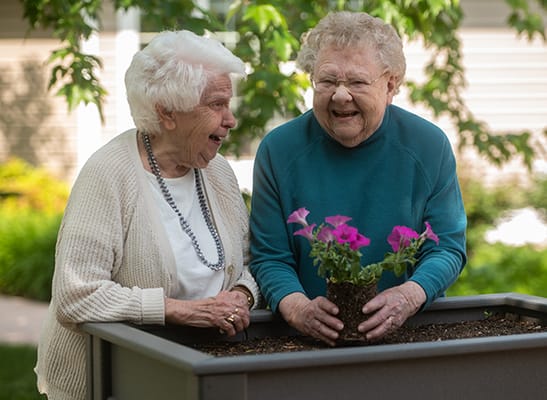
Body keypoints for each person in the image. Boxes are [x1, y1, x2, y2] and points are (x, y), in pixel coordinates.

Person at [35, 30, 260, 399]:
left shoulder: (217, 173)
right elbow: (75, 295)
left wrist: (241, 295)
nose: (231, 119)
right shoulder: (109, 173)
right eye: (217, 105)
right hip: (112, 378)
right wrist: (177, 310)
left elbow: (253, 262)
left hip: (198, 370)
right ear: (167, 113)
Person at [249, 11, 467, 346]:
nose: (339, 95)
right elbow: (270, 255)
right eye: (327, 81)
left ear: (390, 84)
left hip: (406, 335)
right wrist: (296, 308)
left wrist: (409, 297)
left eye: (357, 82)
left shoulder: (427, 146)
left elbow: (448, 247)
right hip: (303, 341)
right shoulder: (278, 151)